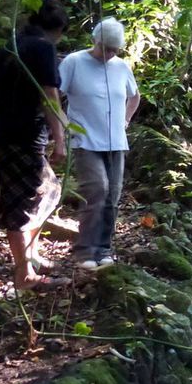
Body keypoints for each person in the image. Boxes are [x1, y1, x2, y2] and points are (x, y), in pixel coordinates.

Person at [0, 0, 69, 290]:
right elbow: (50, 95)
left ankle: (29, 255)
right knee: (21, 203)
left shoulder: (8, 46)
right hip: (25, 136)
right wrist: (59, 140)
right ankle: (24, 276)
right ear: (56, 29)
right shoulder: (43, 48)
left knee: (49, 190)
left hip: (2, 133)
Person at [59, 17, 140, 270]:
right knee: (97, 191)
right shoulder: (74, 62)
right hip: (85, 139)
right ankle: (85, 251)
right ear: (95, 41)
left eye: (115, 49)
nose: (110, 54)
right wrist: (64, 126)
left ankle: (104, 248)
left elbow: (134, 96)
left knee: (113, 196)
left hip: (116, 141)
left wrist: (126, 119)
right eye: (106, 48)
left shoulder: (121, 67)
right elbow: (53, 96)